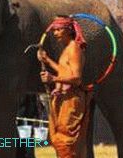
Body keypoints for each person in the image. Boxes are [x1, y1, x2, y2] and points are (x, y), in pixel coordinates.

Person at [37, 16, 91, 158]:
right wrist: (47, 61)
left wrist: (52, 78)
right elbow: (64, 71)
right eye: (54, 30)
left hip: (71, 99)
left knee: (65, 141)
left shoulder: (74, 49)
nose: (55, 33)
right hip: (61, 98)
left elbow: (77, 78)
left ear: (68, 30)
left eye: (58, 30)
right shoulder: (67, 49)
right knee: (57, 138)